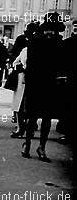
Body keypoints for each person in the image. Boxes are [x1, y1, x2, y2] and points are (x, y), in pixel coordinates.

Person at [21, 13, 65, 161]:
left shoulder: (60, 43)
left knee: (47, 118)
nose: (50, 32)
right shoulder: (35, 41)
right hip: (35, 84)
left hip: (51, 85)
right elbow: (30, 64)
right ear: (43, 29)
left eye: (53, 30)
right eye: (47, 29)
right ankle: (27, 144)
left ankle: (42, 147)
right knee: (32, 117)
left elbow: (61, 65)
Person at [9, 22, 39, 138]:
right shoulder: (25, 50)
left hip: (35, 81)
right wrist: (21, 68)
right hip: (23, 81)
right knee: (20, 106)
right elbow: (15, 62)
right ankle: (20, 128)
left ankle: (30, 127)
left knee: (32, 106)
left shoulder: (41, 50)